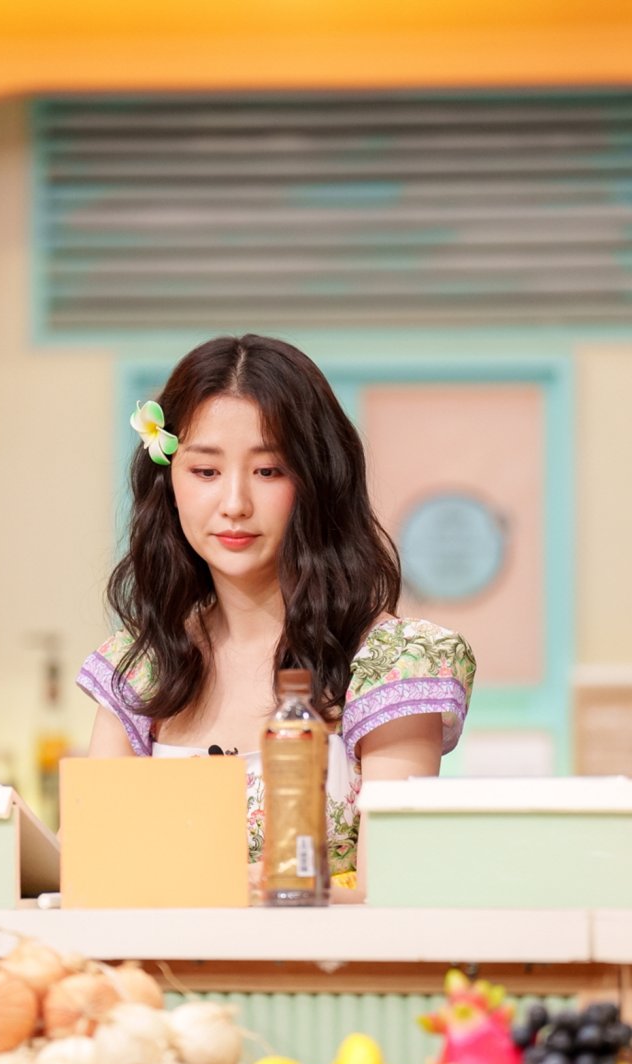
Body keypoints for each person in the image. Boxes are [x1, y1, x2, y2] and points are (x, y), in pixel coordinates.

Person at [78, 334, 475, 890]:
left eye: (268, 471)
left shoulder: (396, 663)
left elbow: (389, 887)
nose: (234, 504)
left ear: (319, 482)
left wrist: (207, 883)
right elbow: (92, 868)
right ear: (169, 484)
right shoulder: (140, 665)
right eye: (205, 471)